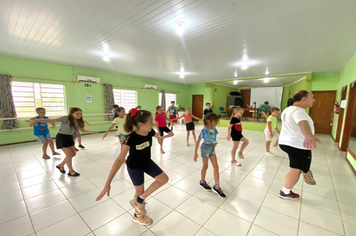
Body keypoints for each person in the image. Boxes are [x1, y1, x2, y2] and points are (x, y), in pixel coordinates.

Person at [96, 108, 168, 226]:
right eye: (150, 122)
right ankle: (137, 216)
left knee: (164, 179)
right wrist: (107, 183)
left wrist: (159, 138)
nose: (153, 124)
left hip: (147, 162)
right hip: (134, 166)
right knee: (139, 190)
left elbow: (156, 134)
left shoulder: (149, 131)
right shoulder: (131, 138)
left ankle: (139, 200)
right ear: (141, 124)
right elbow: (119, 159)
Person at [27, 107, 98, 177]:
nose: (79, 115)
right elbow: (52, 120)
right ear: (71, 113)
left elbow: (83, 130)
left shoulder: (78, 121)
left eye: (80, 114)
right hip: (62, 137)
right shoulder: (66, 118)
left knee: (73, 154)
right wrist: (38, 120)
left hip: (69, 137)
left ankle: (60, 165)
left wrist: (92, 132)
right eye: (77, 114)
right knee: (69, 155)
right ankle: (71, 171)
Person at [279, 90, 321, 199]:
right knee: (295, 168)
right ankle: (285, 192)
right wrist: (308, 135)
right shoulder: (299, 112)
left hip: (287, 142)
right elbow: (303, 123)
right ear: (304, 99)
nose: (314, 100)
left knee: (298, 165)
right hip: (296, 145)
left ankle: (305, 169)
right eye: (312, 98)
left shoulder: (288, 110)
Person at [194, 113, 226, 198]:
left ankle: (217, 186)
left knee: (216, 166)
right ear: (208, 121)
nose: (216, 123)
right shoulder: (204, 130)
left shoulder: (214, 128)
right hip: (205, 148)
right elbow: (198, 141)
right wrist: (195, 153)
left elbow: (215, 134)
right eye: (215, 121)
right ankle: (202, 181)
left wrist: (214, 141)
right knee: (205, 165)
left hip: (211, 148)